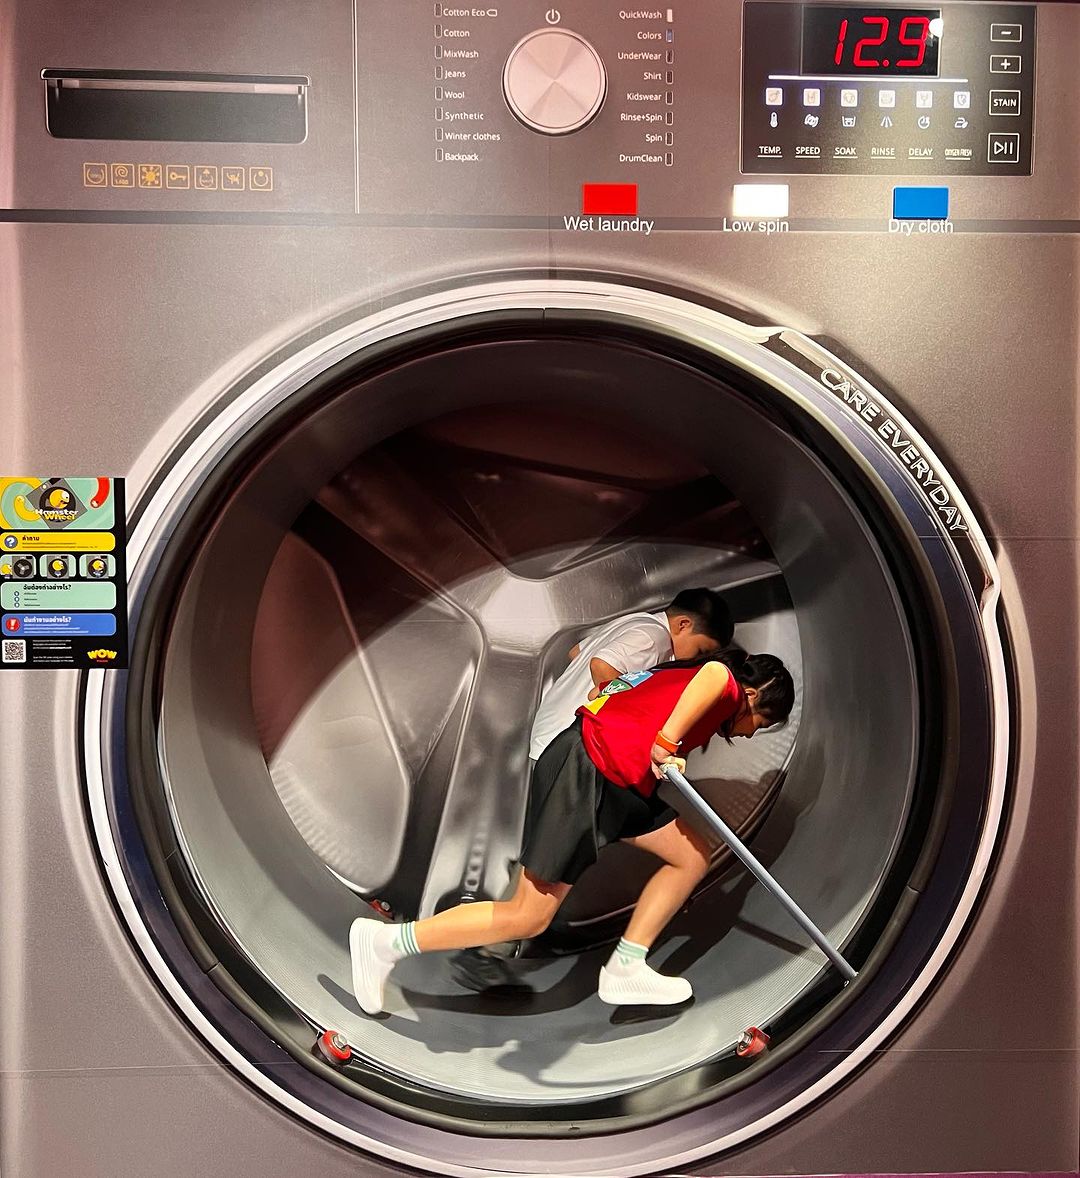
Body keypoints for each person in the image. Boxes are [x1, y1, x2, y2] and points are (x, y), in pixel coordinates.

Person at [351, 648, 795, 1014]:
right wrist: (667, 742)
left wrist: (660, 740)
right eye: (763, 721)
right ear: (753, 694)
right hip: (587, 772)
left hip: (619, 784)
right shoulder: (721, 684)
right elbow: (717, 674)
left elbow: (614, 686)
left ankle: (626, 966)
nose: (755, 733)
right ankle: (386, 942)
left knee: (692, 854)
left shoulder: (681, 683)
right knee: (529, 916)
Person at [528, 587, 735, 762]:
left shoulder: (636, 621)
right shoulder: (656, 637)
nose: (696, 660)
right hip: (568, 743)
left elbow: (576, 652)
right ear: (683, 624)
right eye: (701, 651)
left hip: (549, 732)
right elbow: (601, 665)